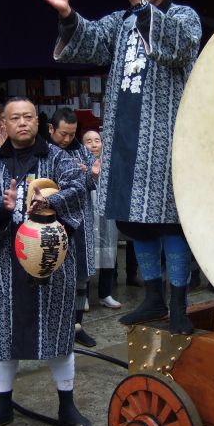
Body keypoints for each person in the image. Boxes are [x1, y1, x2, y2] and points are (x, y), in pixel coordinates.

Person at [37, 0, 202, 334]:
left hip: (165, 138)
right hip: (124, 137)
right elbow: (90, 40)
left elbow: (179, 48)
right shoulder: (121, 21)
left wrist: (142, 7)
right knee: (135, 220)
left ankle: (178, 303)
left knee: (170, 221)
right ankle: (152, 296)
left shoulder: (183, 17)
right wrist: (67, 13)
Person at [0, 97, 90, 426]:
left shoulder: (58, 158)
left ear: (37, 122)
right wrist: (3, 205)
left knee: (58, 331)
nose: (22, 123)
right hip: (4, 262)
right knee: (5, 334)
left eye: (28, 117)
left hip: (51, 259)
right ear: (3, 124)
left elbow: (79, 186)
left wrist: (50, 200)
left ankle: (67, 405)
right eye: (15, 118)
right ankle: (3, 406)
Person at [47, 108, 100, 347]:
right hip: (52, 222)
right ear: (51, 129)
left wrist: (92, 175)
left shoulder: (81, 150)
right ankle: (54, 329)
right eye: (63, 134)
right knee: (53, 275)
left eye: (71, 134)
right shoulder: (43, 152)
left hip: (80, 223)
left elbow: (89, 181)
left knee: (81, 276)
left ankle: (77, 326)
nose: (67, 139)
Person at [82, 129, 121, 309]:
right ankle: (83, 296)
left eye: (97, 140)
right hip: (87, 214)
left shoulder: (110, 163)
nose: (94, 144)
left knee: (109, 252)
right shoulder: (79, 163)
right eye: (89, 141)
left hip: (106, 215)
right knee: (86, 253)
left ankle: (105, 294)